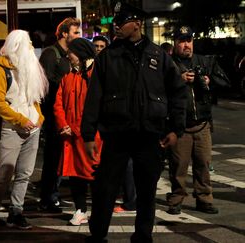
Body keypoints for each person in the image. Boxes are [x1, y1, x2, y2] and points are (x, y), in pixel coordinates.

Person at [81, 2, 187, 242]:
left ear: (137, 24)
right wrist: (88, 135)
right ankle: (97, 236)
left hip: (149, 135)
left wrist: (175, 129)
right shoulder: (108, 56)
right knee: (104, 190)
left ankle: (143, 236)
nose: (116, 26)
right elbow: (94, 97)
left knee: (147, 191)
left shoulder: (158, 55)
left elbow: (177, 93)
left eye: (122, 21)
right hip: (116, 135)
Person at [0, 29, 48, 233]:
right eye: (27, 44)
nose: (30, 48)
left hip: (33, 129)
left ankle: (16, 212)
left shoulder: (28, 68)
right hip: (12, 129)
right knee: (4, 174)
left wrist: (39, 118)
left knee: (24, 173)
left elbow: (33, 98)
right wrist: (20, 119)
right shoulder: (0, 71)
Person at [166, 26, 230, 215]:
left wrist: (209, 81)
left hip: (202, 124)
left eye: (189, 40)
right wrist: (180, 78)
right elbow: (157, 88)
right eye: (182, 41)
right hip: (180, 126)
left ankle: (204, 199)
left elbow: (226, 83)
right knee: (178, 166)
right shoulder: (168, 64)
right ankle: (176, 199)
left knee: (203, 164)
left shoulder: (205, 61)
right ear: (175, 43)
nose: (186, 45)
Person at [53, 38, 102, 226]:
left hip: (91, 136)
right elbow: (58, 103)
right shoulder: (68, 75)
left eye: (70, 52)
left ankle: (98, 211)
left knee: (94, 175)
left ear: (80, 53)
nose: (68, 56)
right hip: (71, 136)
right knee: (75, 175)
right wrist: (62, 123)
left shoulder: (96, 74)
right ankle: (80, 209)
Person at [39, 17, 81, 213]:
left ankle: (53, 194)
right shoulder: (51, 54)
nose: (78, 36)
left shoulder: (68, 55)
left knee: (61, 156)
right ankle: (48, 197)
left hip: (65, 114)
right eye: (75, 32)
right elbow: (46, 85)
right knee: (53, 157)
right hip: (53, 114)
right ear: (64, 34)